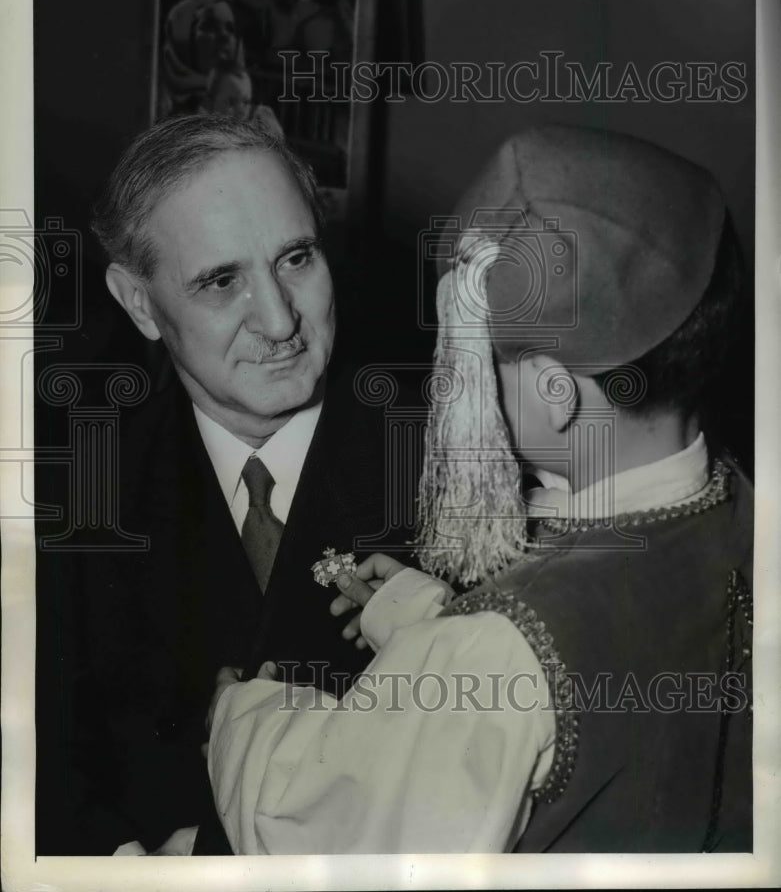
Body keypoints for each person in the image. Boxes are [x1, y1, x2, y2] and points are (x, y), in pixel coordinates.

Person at [207, 124, 753, 854]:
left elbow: (329, 833)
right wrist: (436, 623)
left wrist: (243, 717)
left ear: (556, 394)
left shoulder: (494, 651)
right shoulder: (742, 507)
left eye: (478, 366)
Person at [35, 114, 416, 855]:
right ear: (138, 303)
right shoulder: (72, 500)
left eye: (296, 258)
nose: (279, 320)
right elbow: (47, 782)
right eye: (221, 281)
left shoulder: (452, 461)